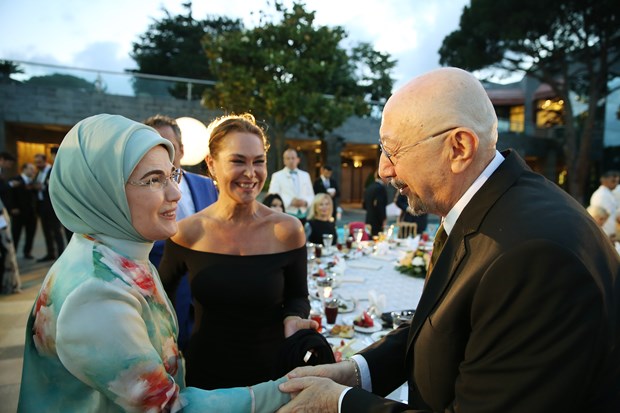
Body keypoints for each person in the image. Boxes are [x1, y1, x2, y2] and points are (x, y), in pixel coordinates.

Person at [278, 67, 620, 412]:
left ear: (459, 148)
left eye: (393, 150)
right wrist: (356, 372)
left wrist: (339, 403)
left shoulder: (534, 257)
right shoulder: (490, 207)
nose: (383, 169)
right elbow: (444, 323)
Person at [17, 114, 290, 412]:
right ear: (104, 191)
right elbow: (172, 408)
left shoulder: (120, 254)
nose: (176, 193)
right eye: (153, 180)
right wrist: (288, 391)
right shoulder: (95, 296)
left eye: (172, 175)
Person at [158, 113, 316, 390]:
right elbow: (161, 301)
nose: (251, 173)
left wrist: (294, 317)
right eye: (238, 161)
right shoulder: (187, 232)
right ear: (211, 164)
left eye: (259, 161)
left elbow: (297, 296)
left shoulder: (288, 230)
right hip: (205, 378)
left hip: (273, 379)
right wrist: (168, 347)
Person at [144, 114, 218, 352]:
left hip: (206, 286)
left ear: (183, 150)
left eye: (169, 147)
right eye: (154, 147)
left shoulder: (206, 184)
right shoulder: (139, 191)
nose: (163, 154)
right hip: (162, 286)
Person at [268, 148, 314, 223]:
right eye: (288, 158)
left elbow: (311, 195)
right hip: (286, 214)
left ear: (298, 160)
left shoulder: (305, 175)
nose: (291, 161)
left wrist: (305, 202)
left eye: (293, 158)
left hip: (303, 215)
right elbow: (273, 196)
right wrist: (290, 202)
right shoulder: (277, 176)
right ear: (284, 161)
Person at [33, 152, 65, 261]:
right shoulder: (38, 173)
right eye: (36, 162)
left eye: (40, 162)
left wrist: (44, 186)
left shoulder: (52, 171)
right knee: (46, 231)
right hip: (41, 205)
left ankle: (61, 254)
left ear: (45, 161)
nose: (38, 164)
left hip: (51, 206)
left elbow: (57, 187)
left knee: (56, 231)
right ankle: (50, 253)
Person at [8, 163, 37, 259]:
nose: (33, 171)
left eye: (33, 169)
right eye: (31, 168)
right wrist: (13, 207)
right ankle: (12, 254)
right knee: (15, 234)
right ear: (24, 169)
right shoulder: (15, 180)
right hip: (19, 212)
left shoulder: (34, 181)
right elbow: (10, 195)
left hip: (32, 213)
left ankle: (27, 252)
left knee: (30, 233)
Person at [590, 170, 620, 241]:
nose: (615, 183)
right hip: (603, 235)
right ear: (604, 180)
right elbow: (600, 217)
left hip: (609, 235)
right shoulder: (601, 195)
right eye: (613, 181)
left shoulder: (609, 194)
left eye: (617, 181)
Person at [362, 171, 388, 236]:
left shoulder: (369, 187)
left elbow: (364, 205)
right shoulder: (380, 188)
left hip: (368, 218)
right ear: (382, 177)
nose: (389, 180)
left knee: (369, 239)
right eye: (388, 178)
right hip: (377, 221)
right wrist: (383, 219)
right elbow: (380, 205)